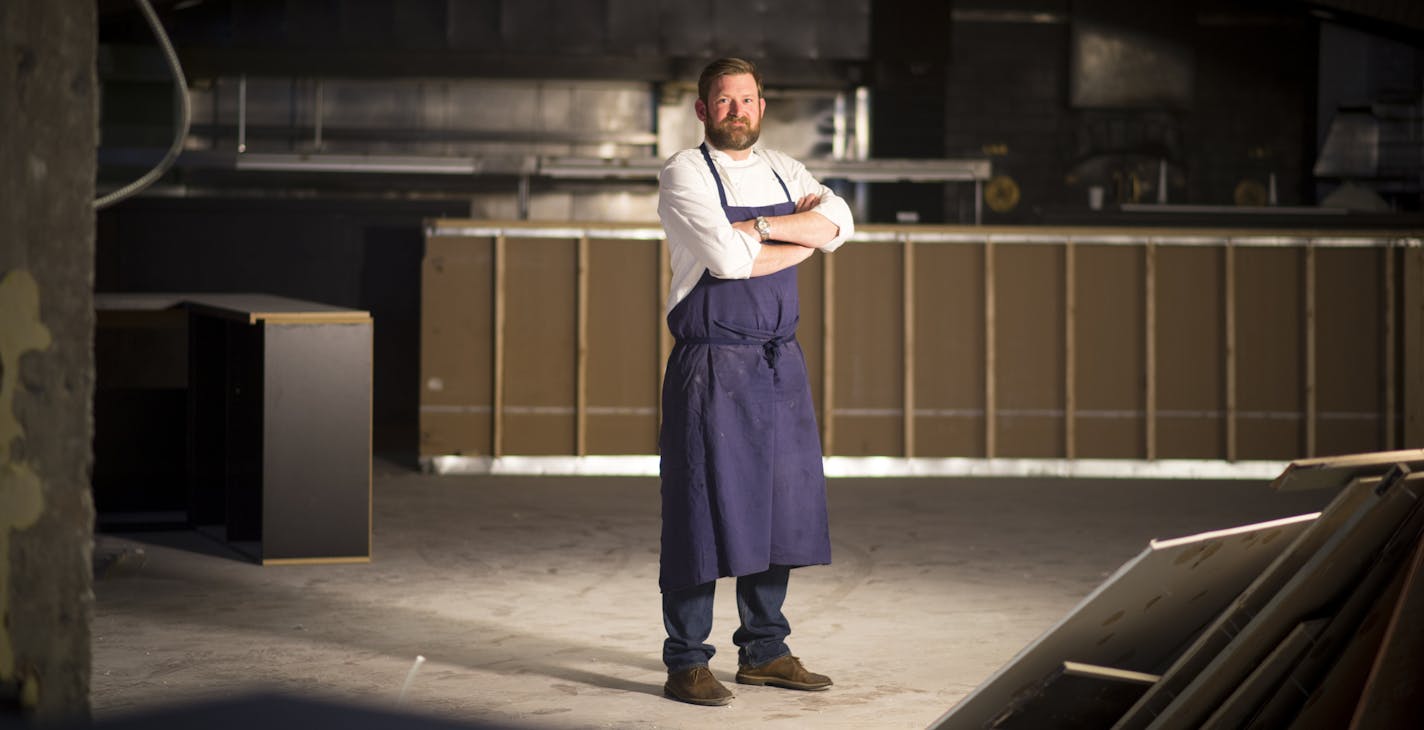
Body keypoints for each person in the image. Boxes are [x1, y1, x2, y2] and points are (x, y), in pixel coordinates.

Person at [655, 57, 854, 707]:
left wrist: (766, 228)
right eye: (724, 100)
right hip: (711, 363)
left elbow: (841, 223)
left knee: (778, 509)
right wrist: (806, 236)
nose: (737, 110)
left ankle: (765, 649)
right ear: (703, 110)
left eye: (747, 99)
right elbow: (727, 261)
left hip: (777, 363)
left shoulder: (782, 170)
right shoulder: (685, 172)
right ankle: (686, 659)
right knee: (701, 512)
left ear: (761, 107)